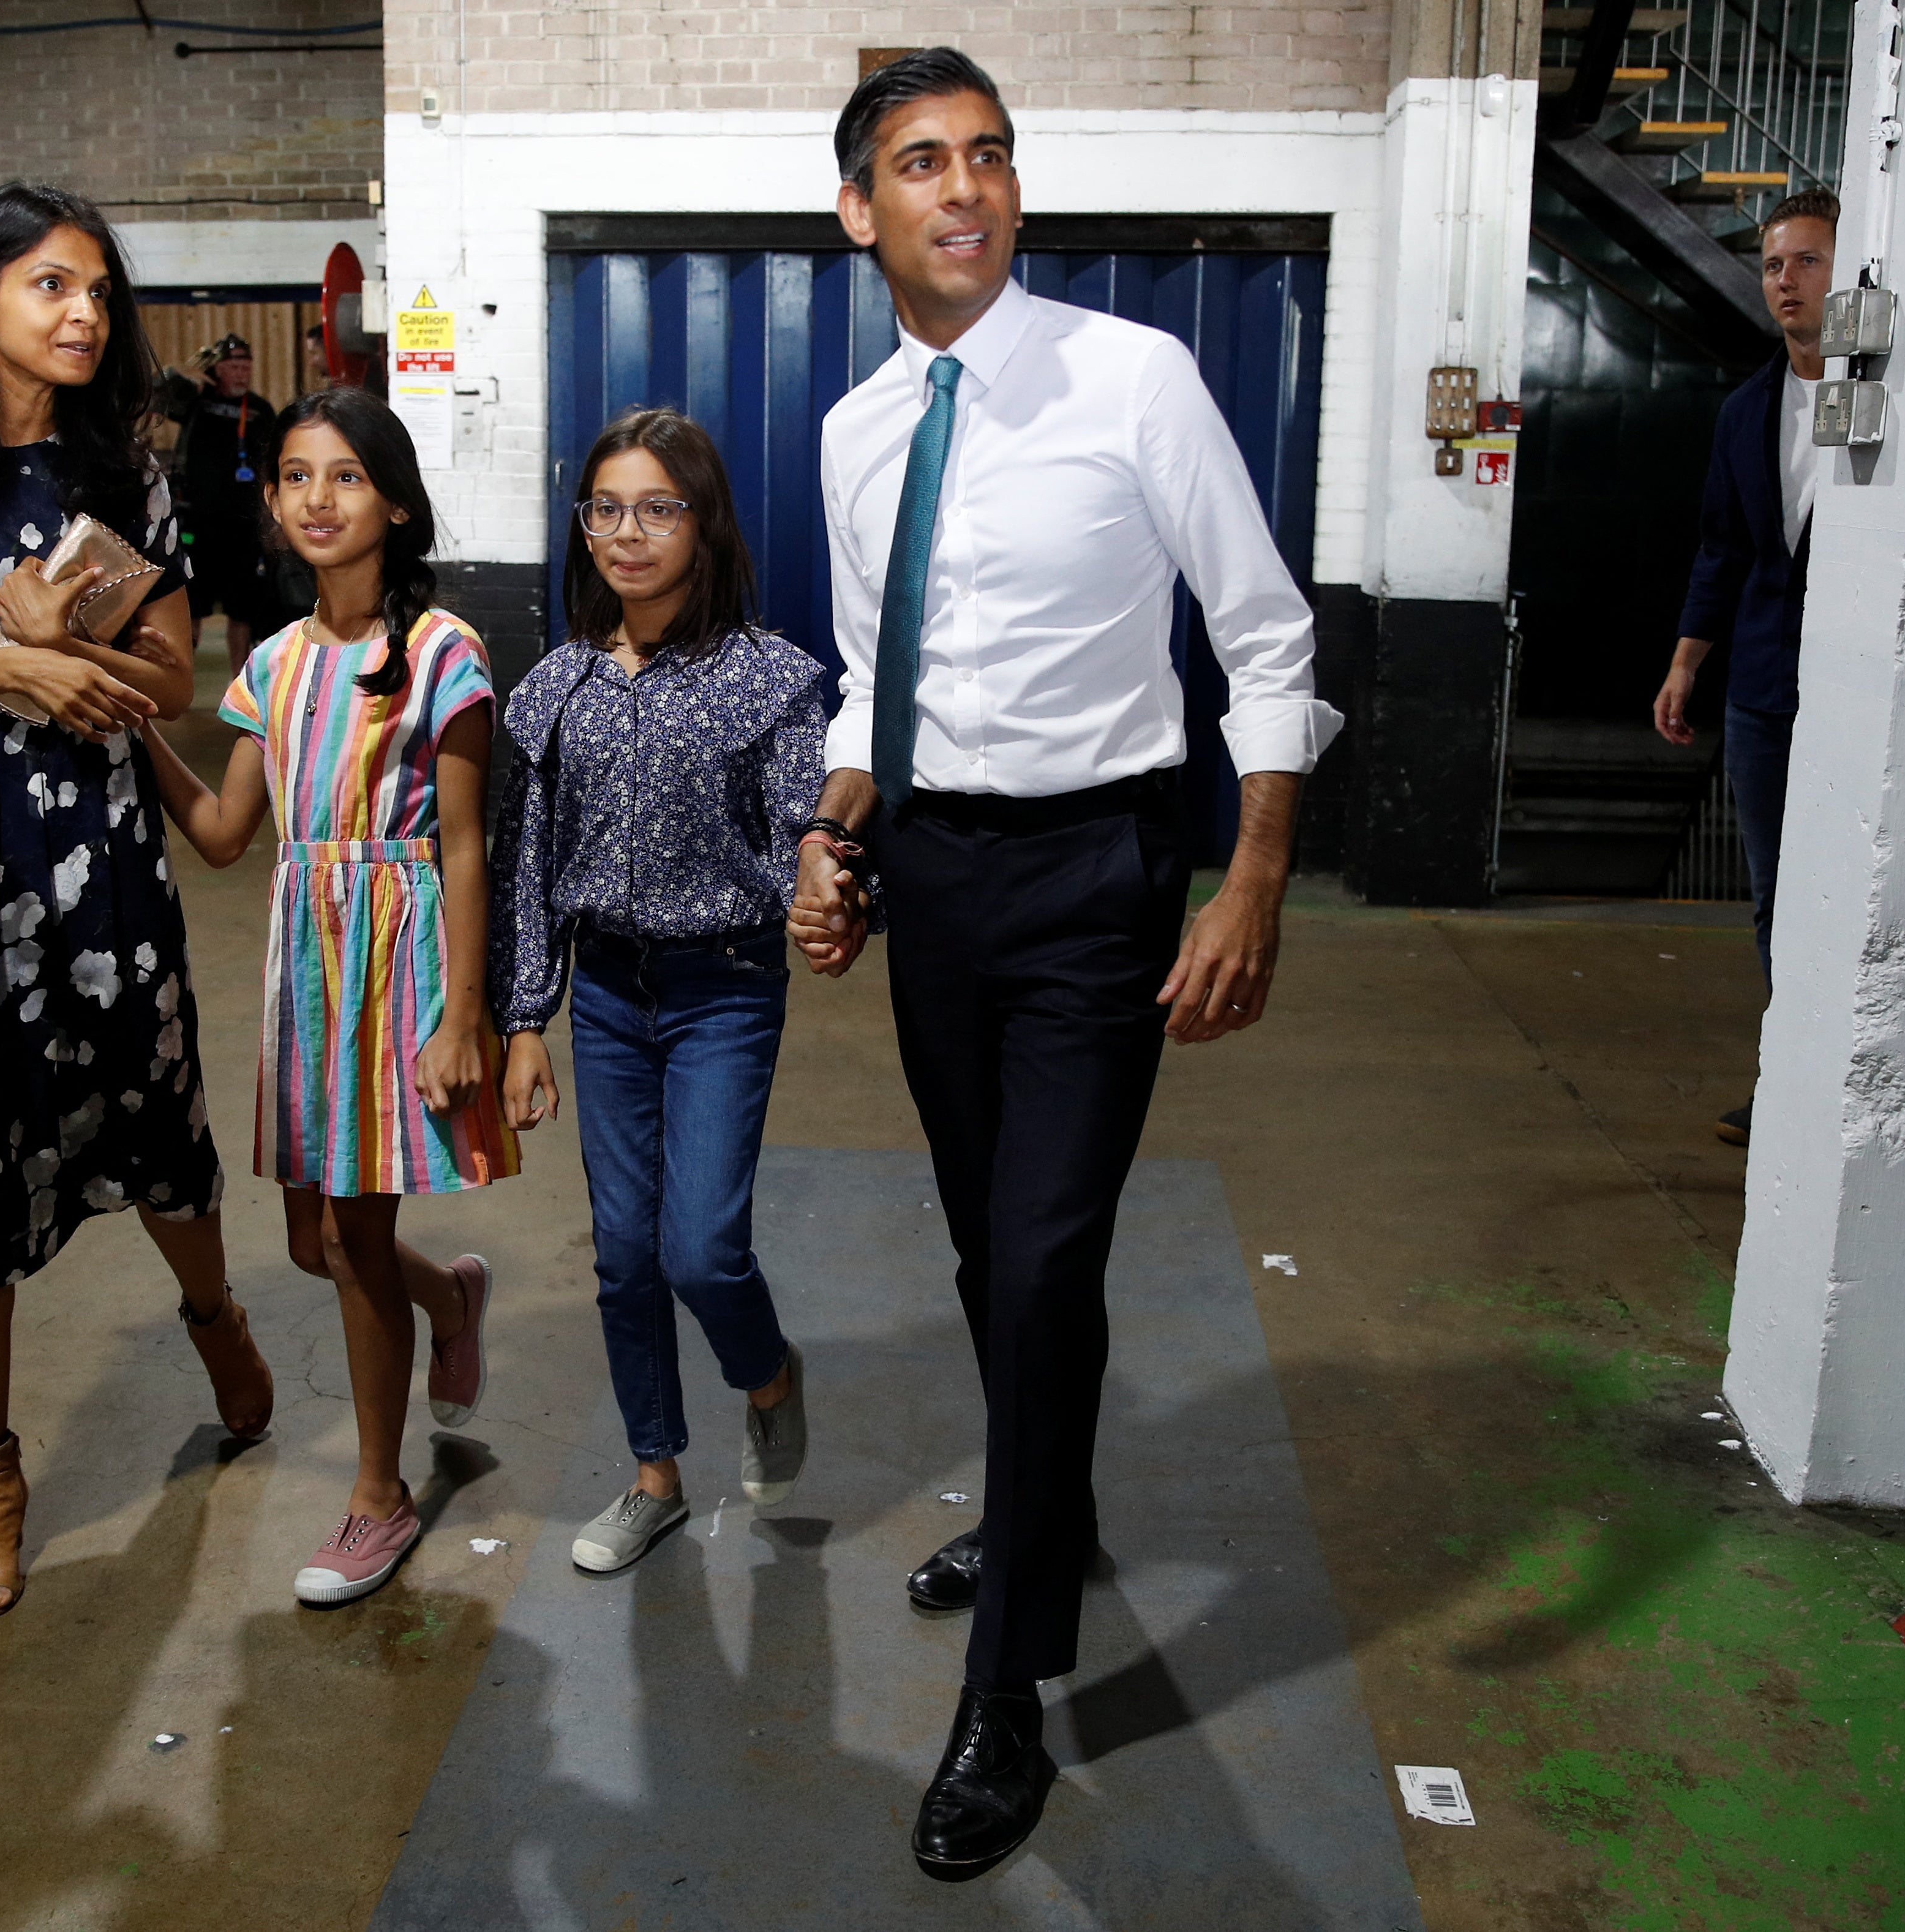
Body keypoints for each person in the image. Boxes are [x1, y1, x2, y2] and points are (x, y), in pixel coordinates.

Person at [787, 50, 1342, 1879]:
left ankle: (1006, 1688)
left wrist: (1246, 874)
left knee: (1038, 1254)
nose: (964, 187)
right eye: (920, 163)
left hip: (1100, 867)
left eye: (990, 158)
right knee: (986, 1245)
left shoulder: (1133, 380)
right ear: (858, 209)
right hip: (935, 876)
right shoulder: (857, 429)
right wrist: (835, 827)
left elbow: (1262, 638)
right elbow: (877, 676)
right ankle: (1052, 1503)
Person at [0, 181, 275, 1622]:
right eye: (52, 287)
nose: (85, 313)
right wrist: (6, 662)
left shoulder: (126, 476)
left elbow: (166, 679)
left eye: (98, 291)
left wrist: (87, 654)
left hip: (101, 853)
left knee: (158, 1112)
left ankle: (216, 1316)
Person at [140, 387, 519, 1607]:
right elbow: (219, 833)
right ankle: (448, 1288)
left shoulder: (443, 652)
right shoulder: (268, 663)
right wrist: (128, 727)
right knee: (313, 1239)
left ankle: (377, 1494)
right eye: (295, 475)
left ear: (394, 502)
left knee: (352, 1233)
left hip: (399, 957)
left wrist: (464, 1010)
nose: (316, 497)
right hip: (306, 960)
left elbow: (465, 844)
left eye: (345, 475)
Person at [489, 407, 833, 1576]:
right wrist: (523, 1021)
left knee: (699, 1250)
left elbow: (810, 830)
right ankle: (653, 1477)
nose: (627, 532)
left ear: (703, 522)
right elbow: (529, 869)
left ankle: (769, 1373)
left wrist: (832, 890)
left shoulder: (772, 683)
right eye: (605, 508)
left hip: (723, 988)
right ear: (581, 526)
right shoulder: (552, 693)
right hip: (606, 997)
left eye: (657, 508)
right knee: (623, 1256)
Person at [1653, 187, 1837, 1149]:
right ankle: (1791, 1081)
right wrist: (1687, 664)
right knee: (1774, 897)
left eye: (1807, 260)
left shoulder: (1890, 403)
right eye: (1773, 264)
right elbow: (1722, 547)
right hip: (1765, 689)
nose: (1786, 280)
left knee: (1845, 888)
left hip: (1855, 691)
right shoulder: (1748, 409)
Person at [171, 332, 288, 652]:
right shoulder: (195, 403)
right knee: (193, 604)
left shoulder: (261, 410)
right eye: (234, 367)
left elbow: (274, 463)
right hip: (199, 521)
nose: (241, 374)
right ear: (219, 369)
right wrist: (189, 374)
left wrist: (276, 520)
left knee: (243, 608)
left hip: (245, 524)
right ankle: (186, 680)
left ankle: (240, 680)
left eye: (246, 367)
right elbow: (155, 396)